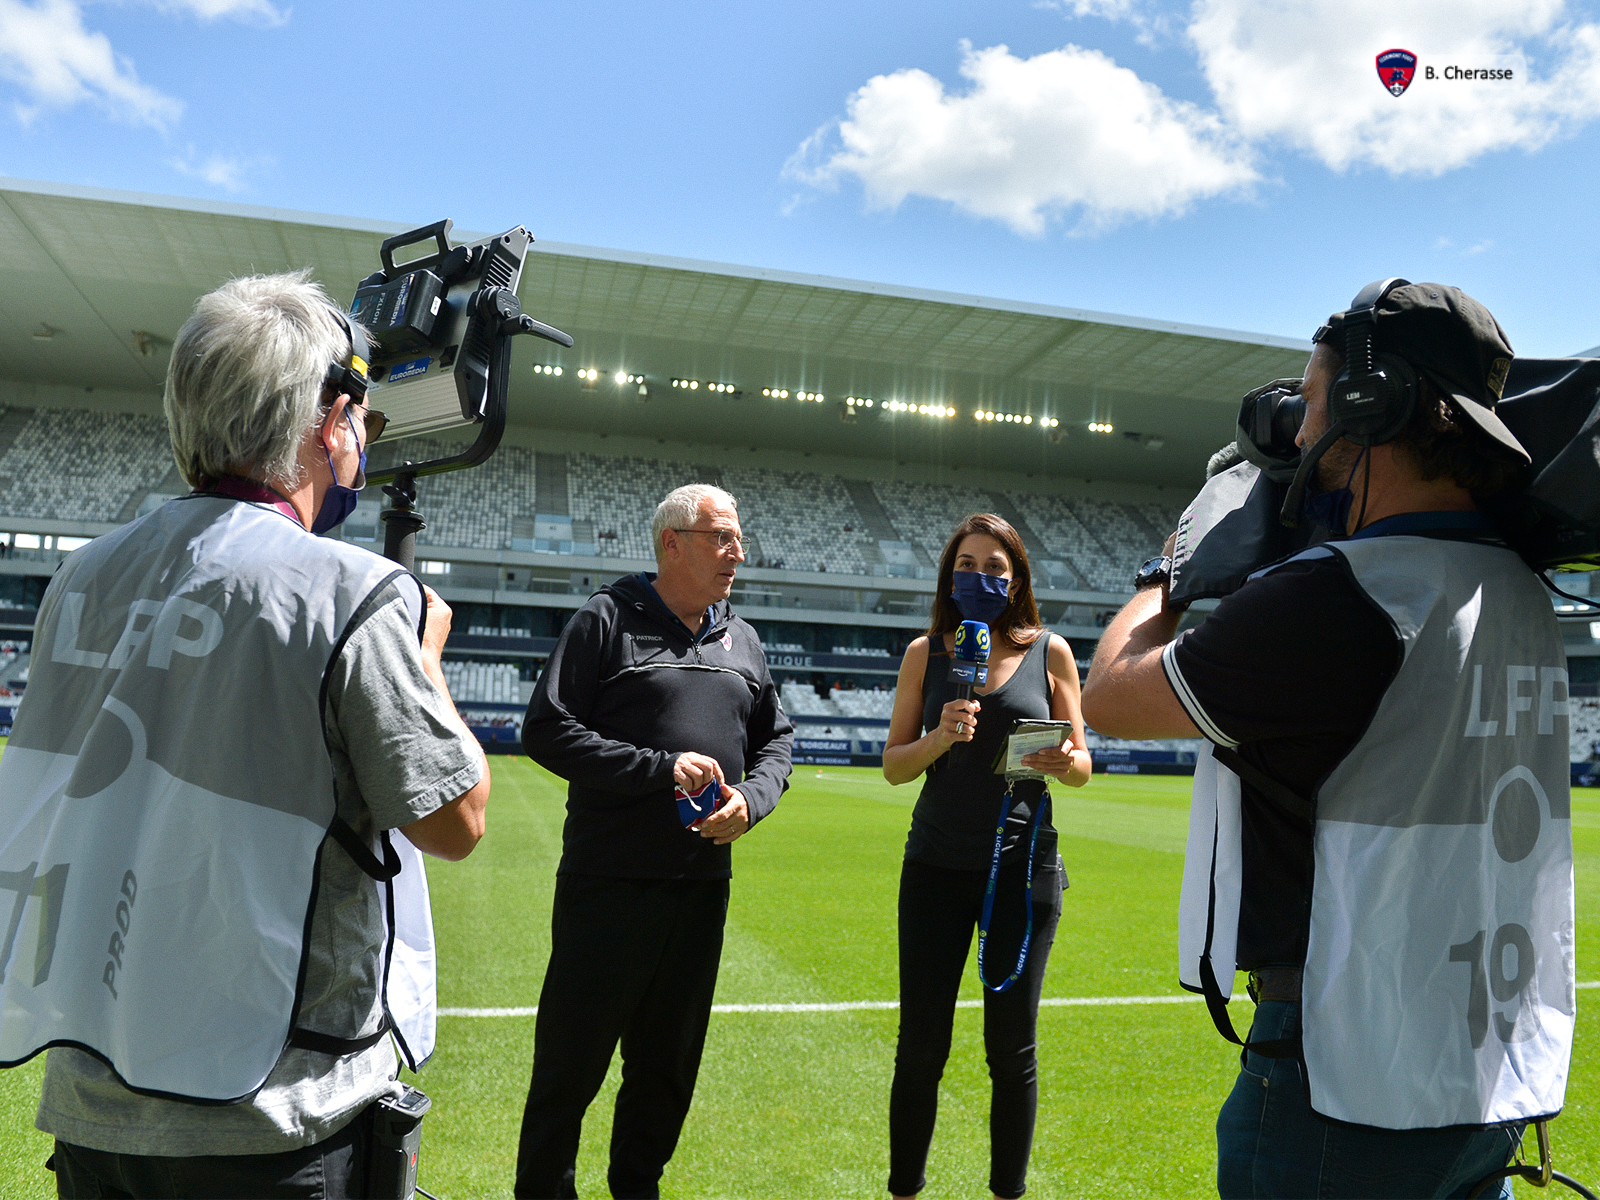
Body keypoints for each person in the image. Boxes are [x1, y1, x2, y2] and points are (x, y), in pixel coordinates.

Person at [0, 271, 490, 1197]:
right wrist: (424, 660)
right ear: (329, 420)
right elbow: (453, 820)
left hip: (94, 1096)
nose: (363, 442)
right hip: (269, 1114)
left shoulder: (81, 575)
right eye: (364, 420)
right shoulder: (349, 591)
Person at [1082, 281, 1574, 1198]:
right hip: (1486, 1063)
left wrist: (1171, 567)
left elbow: (1110, 697)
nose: (1298, 430)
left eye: (1311, 401)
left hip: (1348, 1070)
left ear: (1369, 404)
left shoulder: (1341, 593)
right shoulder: (1518, 586)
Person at [515, 483, 794, 1199]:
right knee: (570, 1071)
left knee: (667, 1072)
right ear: (673, 543)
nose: (737, 553)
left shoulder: (743, 639)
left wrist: (751, 802)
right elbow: (546, 730)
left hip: (700, 891)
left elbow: (776, 743)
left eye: (738, 538)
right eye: (722, 538)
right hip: (607, 886)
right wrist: (658, 769)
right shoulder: (605, 620)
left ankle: (637, 1189)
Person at [881, 512, 1092, 1200]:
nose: (980, 577)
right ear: (950, 577)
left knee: (1012, 1049)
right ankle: (905, 1190)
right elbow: (894, 767)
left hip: (1023, 872)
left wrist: (1062, 761)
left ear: (1017, 579)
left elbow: (1083, 765)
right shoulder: (926, 654)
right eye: (967, 566)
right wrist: (939, 738)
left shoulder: (1052, 652)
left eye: (995, 568)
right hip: (935, 869)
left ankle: (1008, 1192)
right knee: (921, 1048)